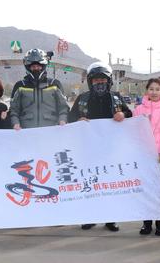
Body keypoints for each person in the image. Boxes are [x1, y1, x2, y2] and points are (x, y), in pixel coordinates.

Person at [68, 61, 132, 232]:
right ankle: (90, 216)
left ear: (109, 81)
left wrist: (122, 113)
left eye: (102, 80)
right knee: (90, 183)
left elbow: (131, 114)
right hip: (88, 150)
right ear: (90, 82)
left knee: (109, 184)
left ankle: (111, 218)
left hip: (111, 150)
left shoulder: (117, 97)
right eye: (96, 81)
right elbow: (70, 118)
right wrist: (78, 120)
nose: (99, 83)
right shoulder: (82, 99)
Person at [133, 78, 160, 236]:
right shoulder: (138, 110)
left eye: (157, 89)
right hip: (144, 158)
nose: (154, 92)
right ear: (147, 91)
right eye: (151, 89)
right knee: (145, 191)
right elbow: (134, 133)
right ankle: (146, 223)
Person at [10, 48, 68, 129]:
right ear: (28, 67)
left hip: (51, 132)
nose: (36, 68)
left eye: (38, 66)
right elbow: (13, 110)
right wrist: (15, 123)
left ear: (43, 66)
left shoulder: (55, 84)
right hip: (26, 133)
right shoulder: (20, 85)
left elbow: (63, 107)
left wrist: (63, 120)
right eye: (33, 66)